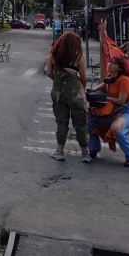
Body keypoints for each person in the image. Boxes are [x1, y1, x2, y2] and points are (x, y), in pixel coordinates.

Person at [45, 32, 90, 163]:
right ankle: (85, 153)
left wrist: (57, 81)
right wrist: (82, 89)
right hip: (76, 93)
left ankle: (59, 151)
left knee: (61, 122)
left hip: (58, 92)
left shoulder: (53, 56)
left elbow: (49, 73)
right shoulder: (78, 57)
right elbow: (84, 78)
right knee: (80, 123)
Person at [88, 56, 129, 167]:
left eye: (113, 63)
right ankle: (93, 149)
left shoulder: (124, 80)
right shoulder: (111, 77)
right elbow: (103, 86)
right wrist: (91, 92)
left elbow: (121, 101)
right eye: (110, 62)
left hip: (128, 110)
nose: (109, 64)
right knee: (90, 119)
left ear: (120, 68)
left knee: (116, 128)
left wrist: (104, 98)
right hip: (112, 108)